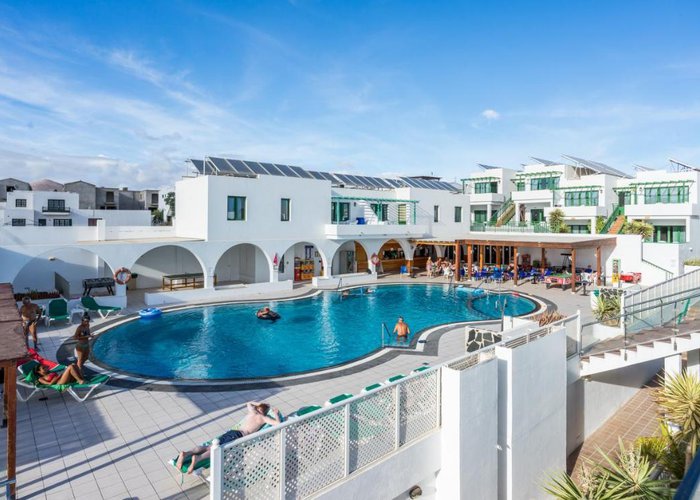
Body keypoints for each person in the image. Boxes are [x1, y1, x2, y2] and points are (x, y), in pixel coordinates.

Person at [176, 402, 282, 474]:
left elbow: (249, 403)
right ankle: (198, 458)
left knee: (210, 446)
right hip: (239, 435)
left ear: (258, 408)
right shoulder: (263, 418)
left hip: (232, 432)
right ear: (264, 411)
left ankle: (188, 453)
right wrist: (276, 414)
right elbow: (278, 424)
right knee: (216, 449)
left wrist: (258, 404)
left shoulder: (252, 412)